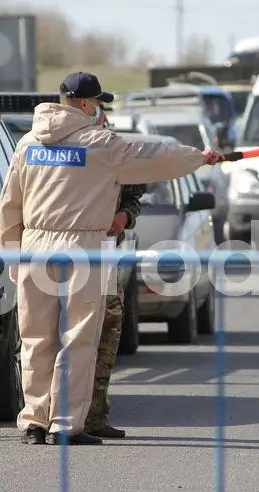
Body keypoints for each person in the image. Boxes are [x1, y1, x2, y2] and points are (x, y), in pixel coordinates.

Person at [0, 71, 222, 446]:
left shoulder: (27, 144)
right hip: (83, 248)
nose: (99, 110)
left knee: (35, 336)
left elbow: (9, 207)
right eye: (98, 103)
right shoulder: (102, 144)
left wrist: (12, 256)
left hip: (33, 246)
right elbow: (156, 158)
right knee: (79, 337)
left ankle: (34, 421)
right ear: (85, 104)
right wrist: (198, 158)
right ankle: (65, 424)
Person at [83, 104, 145, 439]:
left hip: (106, 256)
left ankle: (95, 414)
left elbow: (135, 196)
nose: (99, 115)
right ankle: (55, 415)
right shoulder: (56, 148)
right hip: (62, 258)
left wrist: (124, 218)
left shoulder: (116, 148)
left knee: (107, 332)